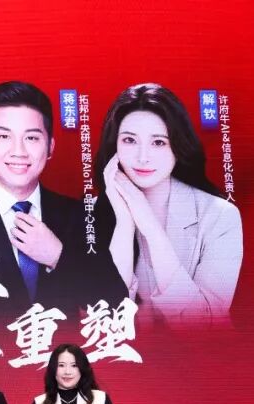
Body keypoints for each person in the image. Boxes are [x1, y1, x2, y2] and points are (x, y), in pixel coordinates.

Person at [0, 81, 124, 314]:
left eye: (32, 138)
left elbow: (117, 304)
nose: (18, 151)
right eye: (4, 136)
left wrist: (58, 256)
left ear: (50, 147)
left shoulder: (80, 217)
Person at [94, 83, 242, 326]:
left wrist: (151, 229)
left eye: (159, 142)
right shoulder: (90, 214)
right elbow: (102, 322)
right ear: (114, 145)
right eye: (129, 140)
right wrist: (124, 223)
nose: (143, 157)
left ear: (177, 145)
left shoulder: (219, 216)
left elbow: (205, 325)